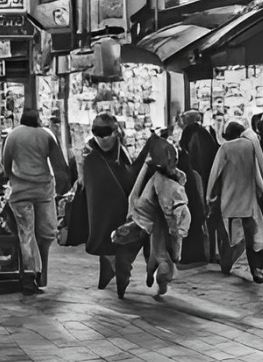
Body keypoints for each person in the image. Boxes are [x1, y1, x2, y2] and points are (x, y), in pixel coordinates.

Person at [0, 107, 72, 295]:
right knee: (46, 234)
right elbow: (58, 165)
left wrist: (11, 179)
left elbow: (5, 163)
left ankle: (29, 275)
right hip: (44, 192)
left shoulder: (13, 136)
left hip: (20, 192)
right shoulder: (46, 135)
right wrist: (64, 188)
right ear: (38, 120)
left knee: (26, 234)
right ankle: (41, 276)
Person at [114, 135, 192, 298]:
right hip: (150, 220)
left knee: (157, 254)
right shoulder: (170, 181)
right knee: (159, 255)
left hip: (150, 220)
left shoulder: (163, 181)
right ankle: (152, 278)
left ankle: (147, 278)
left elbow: (134, 196)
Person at [205, 120, 263, 282]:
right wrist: (262, 190)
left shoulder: (225, 148)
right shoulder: (250, 146)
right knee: (251, 237)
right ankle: (255, 269)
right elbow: (256, 171)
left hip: (229, 200)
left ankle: (227, 264)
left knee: (230, 236)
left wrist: (209, 196)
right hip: (248, 200)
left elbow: (215, 173)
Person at [80, 111, 136, 290]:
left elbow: (129, 175)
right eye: (98, 133)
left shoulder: (118, 151)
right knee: (106, 239)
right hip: (100, 205)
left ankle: (117, 270)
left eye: (106, 133)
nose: (103, 138)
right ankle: (115, 270)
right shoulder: (90, 153)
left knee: (118, 239)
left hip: (115, 205)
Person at [177, 110, 217, 267]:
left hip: (196, 182)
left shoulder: (195, 136)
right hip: (200, 181)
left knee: (197, 216)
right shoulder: (202, 134)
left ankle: (201, 254)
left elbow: (197, 163)